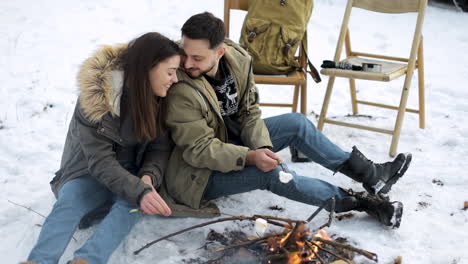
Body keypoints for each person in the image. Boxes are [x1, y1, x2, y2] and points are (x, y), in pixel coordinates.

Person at [164, 12, 412, 228]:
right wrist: (250, 157)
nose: (186, 63)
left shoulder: (237, 60)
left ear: (220, 51)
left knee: (297, 123)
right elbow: (199, 150)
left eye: (197, 58)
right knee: (272, 174)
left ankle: (373, 176)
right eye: (185, 54)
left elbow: (249, 110)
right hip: (198, 174)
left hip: (232, 140)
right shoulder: (181, 88)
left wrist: (261, 147)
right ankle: (359, 202)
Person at [21, 32, 179, 264]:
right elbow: (99, 161)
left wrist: (147, 178)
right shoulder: (96, 97)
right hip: (88, 172)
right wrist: (138, 189)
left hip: (130, 174)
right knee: (71, 201)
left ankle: (87, 260)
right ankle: (38, 261)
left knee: (133, 203)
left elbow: (159, 148)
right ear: (148, 68)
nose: (174, 79)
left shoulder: (160, 97)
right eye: (170, 71)